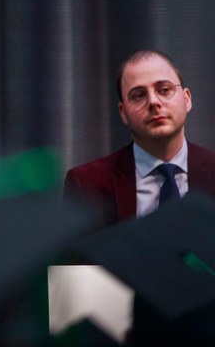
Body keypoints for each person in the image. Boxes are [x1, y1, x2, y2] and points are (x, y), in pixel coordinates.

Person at [64, 49, 215, 229]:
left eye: (164, 90)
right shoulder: (87, 185)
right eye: (139, 95)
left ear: (187, 99)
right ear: (123, 113)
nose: (153, 102)